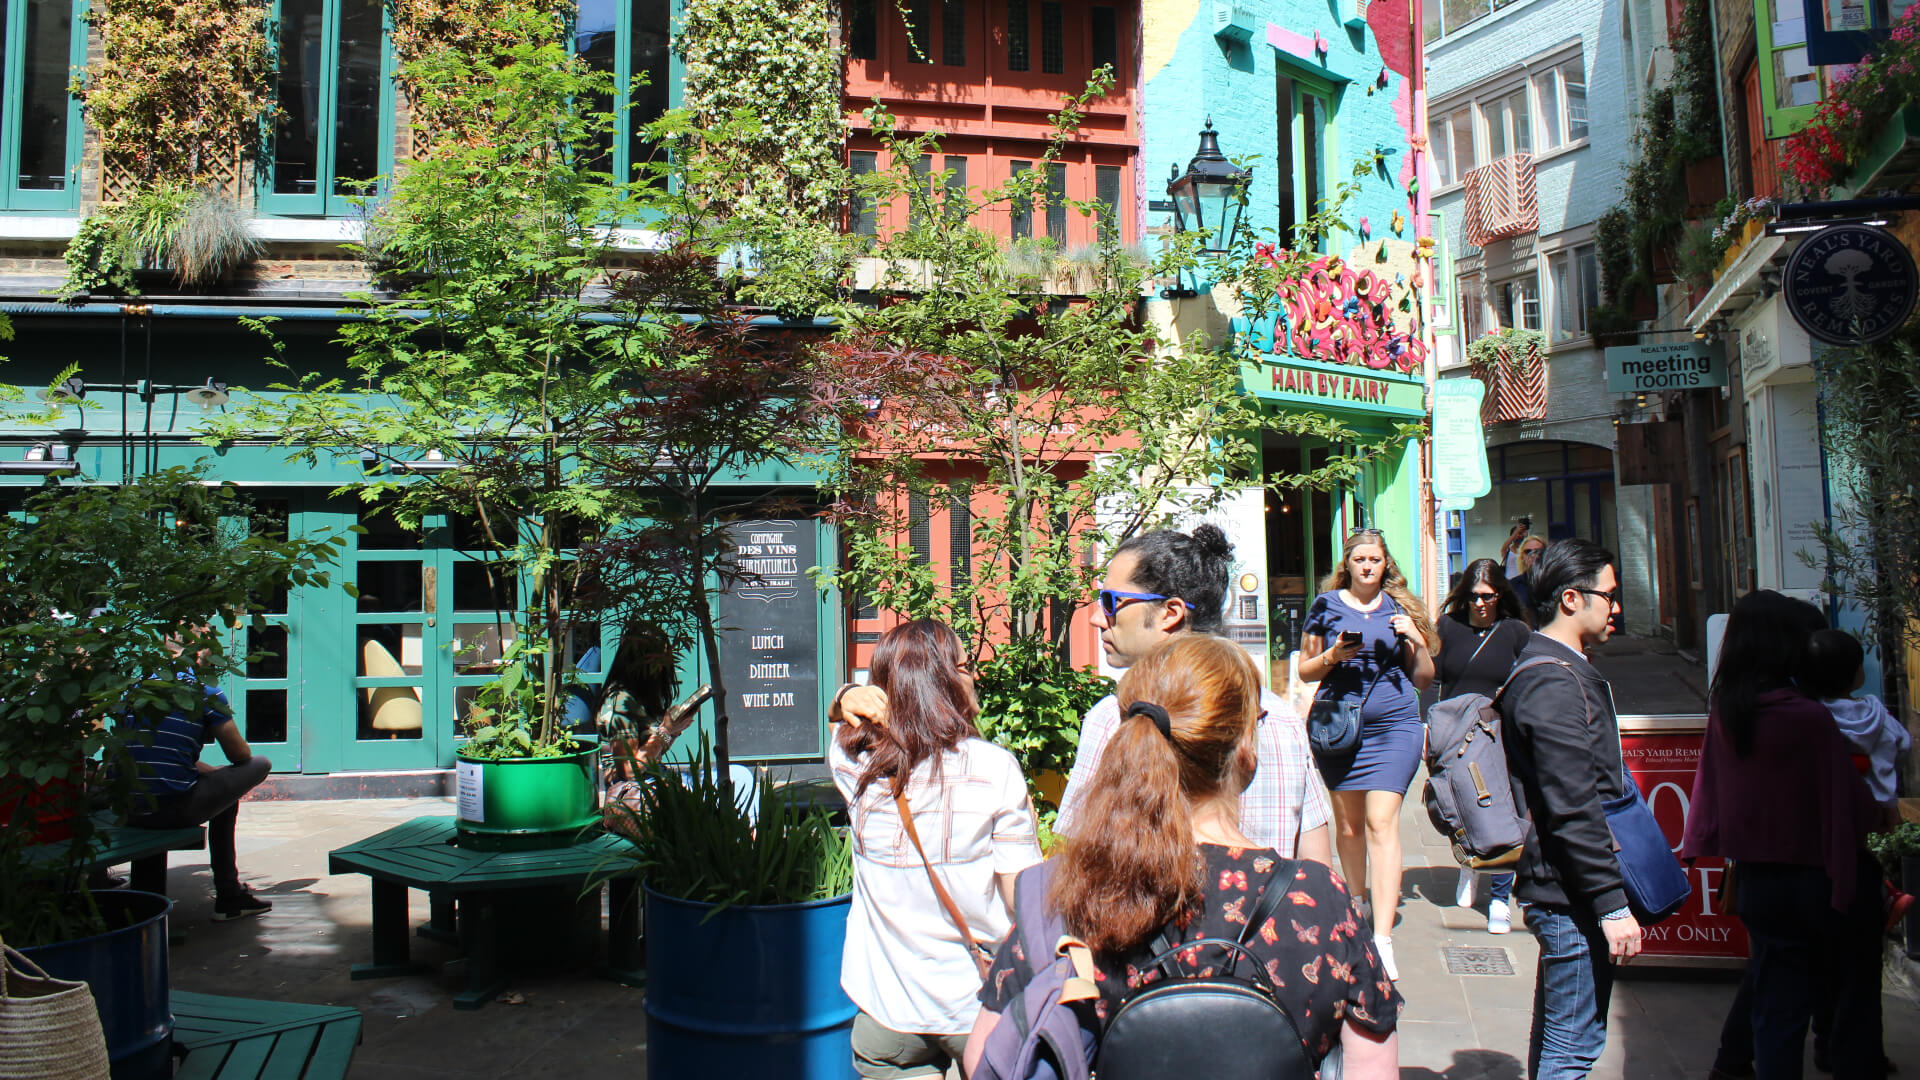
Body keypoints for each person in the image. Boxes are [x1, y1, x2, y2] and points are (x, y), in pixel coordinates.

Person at [963, 635, 1401, 1078]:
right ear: (1245, 749)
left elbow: (985, 1054)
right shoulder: (1316, 898)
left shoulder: (1067, 891)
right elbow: (1373, 1065)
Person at [829, 620, 1044, 1080]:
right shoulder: (995, 769)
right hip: (978, 1006)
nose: (973, 677)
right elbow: (1022, 896)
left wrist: (848, 694)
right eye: (965, 667)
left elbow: (839, 716)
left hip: (887, 1011)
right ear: (945, 682)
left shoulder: (852, 763)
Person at [1685, 593, 1884, 1080]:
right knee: (1836, 981)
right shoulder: (1809, 718)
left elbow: (1708, 790)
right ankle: (1847, 1058)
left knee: (1777, 1002)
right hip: (1816, 877)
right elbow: (1847, 809)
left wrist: (1700, 844)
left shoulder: (1730, 709)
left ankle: (1736, 1064)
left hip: (1756, 880)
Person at [1056, 524, 1333, 868]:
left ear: (1170, 613)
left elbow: (1076, 861)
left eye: (1111, 602)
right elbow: (1318, 869)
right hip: (1266, 919)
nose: (1098, 618)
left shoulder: (1116, 717)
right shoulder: (1281, 719)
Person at [1498, 538, 1640, 1080]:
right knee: (1573, 1047)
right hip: (1568, 891)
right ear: (1572, 600)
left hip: (1567, 884)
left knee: (1563, 1036)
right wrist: (1609, 904)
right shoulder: (1551, 680)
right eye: (1608, 595)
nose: (1616, 608)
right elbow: (1572, 802)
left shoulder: (1560, 668)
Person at [1295, 528, 1437, 980]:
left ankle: (1382, 937)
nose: (1368, 567)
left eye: (1375, 559)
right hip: (1340, 727)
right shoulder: (1326, 606)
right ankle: (1355, 908)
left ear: (1385, 563)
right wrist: (1335, 654)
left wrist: (1415, 637)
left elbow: (1425, 679)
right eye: (1360, 560)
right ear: (1348, 564)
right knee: (1351, 827)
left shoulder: (1402, 608)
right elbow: (1304, 668)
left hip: (1395, 726)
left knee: (1381, 823)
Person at [122, 630, 274, 921]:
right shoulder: (203, 692)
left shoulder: (136, 690)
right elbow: (240, 756)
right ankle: (229, 894)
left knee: (215, 789)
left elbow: (155, 756)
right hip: (173, 808)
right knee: (259, 764)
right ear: (196, 652)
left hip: (129, 807)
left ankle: (146, 901)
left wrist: (211, 774)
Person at [1435, 558, 1531, 934]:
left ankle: (1499, 900)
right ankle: (1470, 863)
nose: (1480, 603)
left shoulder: (1514, 632)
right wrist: (1432, 726)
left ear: (1500, 594)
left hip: (1498, 736)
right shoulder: (1449, 627)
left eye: (1488, 596)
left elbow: (1528, 678)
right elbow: (1434, 680)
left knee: (1501, 814)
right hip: (1457, 738)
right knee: (1460, 807)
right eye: (1473, 596)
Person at [596, 628, 676, 783]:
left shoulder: (640, 696)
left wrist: (674, 730)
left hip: (653, 784)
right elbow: (629, 770)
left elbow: (653, 753)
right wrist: (666, 730)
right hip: (635, 797)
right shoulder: (620, 703)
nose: (662, 668)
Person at [1508, 533, 1548, 619]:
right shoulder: (1513, 585)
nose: (1533, 555)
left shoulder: (1554, 581)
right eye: (1528, 551)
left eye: (1538, 551)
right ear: (1522, 557)